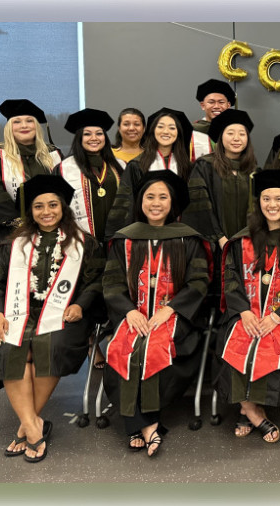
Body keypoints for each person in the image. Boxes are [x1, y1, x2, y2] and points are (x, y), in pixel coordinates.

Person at [0, 174, 104, 462]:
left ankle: (27, 426)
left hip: (63, 314)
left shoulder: (85, 245)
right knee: (8, 347)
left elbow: (96, 282)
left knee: (52, 345)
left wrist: (81, 304)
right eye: (39, 206)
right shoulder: (12, 246)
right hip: (14, 313)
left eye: (53, 205)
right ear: (30, 211)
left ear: (63, 207)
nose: (46, 212)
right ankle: (33, 426)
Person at [102, 170, 211, 457]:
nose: (156, 203)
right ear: (140, 201)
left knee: (155, 348)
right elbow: (111, 283)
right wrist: (128, 311)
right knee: (126, 348)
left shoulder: (188, 239)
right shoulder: (125, 240)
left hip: (175, 317)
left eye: (163, 197)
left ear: (172, 203)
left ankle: (140, 423)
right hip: (133, 315)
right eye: (150, 196)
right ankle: (149, 425)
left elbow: (199, 282)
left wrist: (171, 309)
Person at [215, 169, 280, 443]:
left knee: (271, 344)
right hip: (246, 313)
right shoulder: (243, 238)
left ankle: (246, 407)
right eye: (265, 199)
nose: (271, 205)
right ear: (258, 203)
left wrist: (277, 317)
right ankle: (254, 412)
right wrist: (244, 311)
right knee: (236, 340)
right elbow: (231, 277)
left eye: (277, 199)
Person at [0, 99, 63, 254]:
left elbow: (65, 192)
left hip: (51, 231)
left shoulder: (53, 155)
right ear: (9, 127)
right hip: (9, 235)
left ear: (36, 126)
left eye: (29, 121)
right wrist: (23, 223)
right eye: (17, 122)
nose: (24, 126)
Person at [104, 107, 193, 241]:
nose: (166, 132)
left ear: (178, 132)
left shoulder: (188, 166)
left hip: (179, 235)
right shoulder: (137, 165)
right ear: (152, 130)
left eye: (172, 128)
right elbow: (126, 204)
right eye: (160, 126)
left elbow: (193, 205)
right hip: (143, 235)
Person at [183, 108, 258, 249]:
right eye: (230, 133)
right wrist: (219, 237)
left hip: (247, 245)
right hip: (214, 245)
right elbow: (200, 206)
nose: (236, 138)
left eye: (242, 134)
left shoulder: (253, 171)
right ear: (221, 137)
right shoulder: (205, 166)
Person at [55, 108, 125, 243]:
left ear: (105, 137)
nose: (94, 138)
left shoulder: (120, 166)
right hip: (81, 242)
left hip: (116, 241)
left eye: (99, 134)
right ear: (79, 138)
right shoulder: (64, 169)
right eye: (87, 134)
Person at [190, 78, 236, 159]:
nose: (216, 106)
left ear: (228, 105)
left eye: (221, 102)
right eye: (211, 102)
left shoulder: (236, 130)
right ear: (203, 105)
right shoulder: (191, 131)